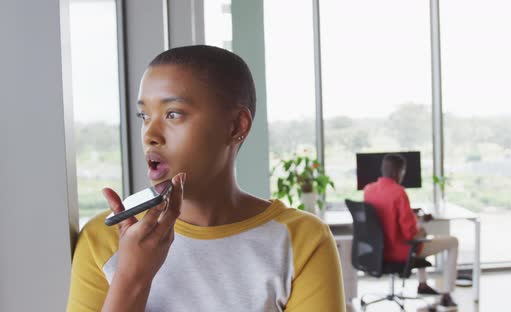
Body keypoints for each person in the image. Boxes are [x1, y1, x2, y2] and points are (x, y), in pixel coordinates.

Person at [67, 45, 345, 312]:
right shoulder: (102, 239)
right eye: (144, 115)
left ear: (236, 126)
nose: (150, 134)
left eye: (172, 114)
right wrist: (131, 277)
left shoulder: (302, 240)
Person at [363, 154, 458, 310]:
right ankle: (447, 295)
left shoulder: (369, 190)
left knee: (422, 233)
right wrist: (420, 229)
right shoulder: (399, 192)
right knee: (452, 241)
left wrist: (410, 215)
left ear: (383, 169)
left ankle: (423, 284)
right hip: (399, 251)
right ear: (398, 172)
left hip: (378, 250)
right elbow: (409, 234)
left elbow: (384, 213)